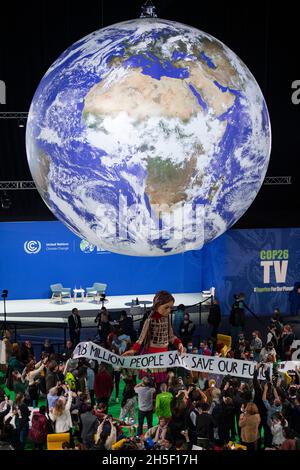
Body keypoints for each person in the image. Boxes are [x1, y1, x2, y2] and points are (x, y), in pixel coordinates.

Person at [123, 291, 184, 385]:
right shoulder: (149, 320)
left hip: (163, 354)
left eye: (170, 308)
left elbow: (171, 336)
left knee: (161, 381)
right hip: (152, 354)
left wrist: (178, 343)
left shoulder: (167, 319)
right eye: (166, 307)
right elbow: (141, 338)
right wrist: (133, 350)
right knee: (150, 381)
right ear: (157, 305)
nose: (169, 310)